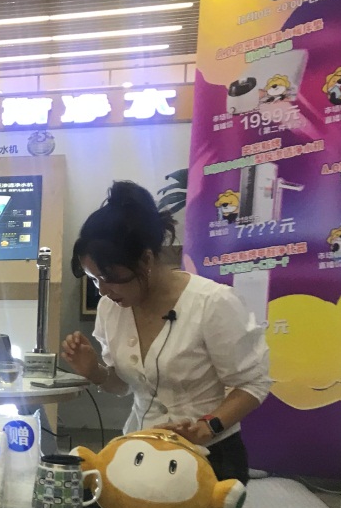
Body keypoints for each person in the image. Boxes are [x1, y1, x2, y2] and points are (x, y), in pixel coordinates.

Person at [61, 181, 271, 485]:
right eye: (95, 280)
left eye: (109, 277)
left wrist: (207, 426)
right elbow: (122, 385)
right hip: (141, 450)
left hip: (209, 456)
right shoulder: (111, 308)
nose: (103, 291)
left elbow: (254, 383)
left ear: (146, 260)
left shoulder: (212, 302)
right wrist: (94, 371)